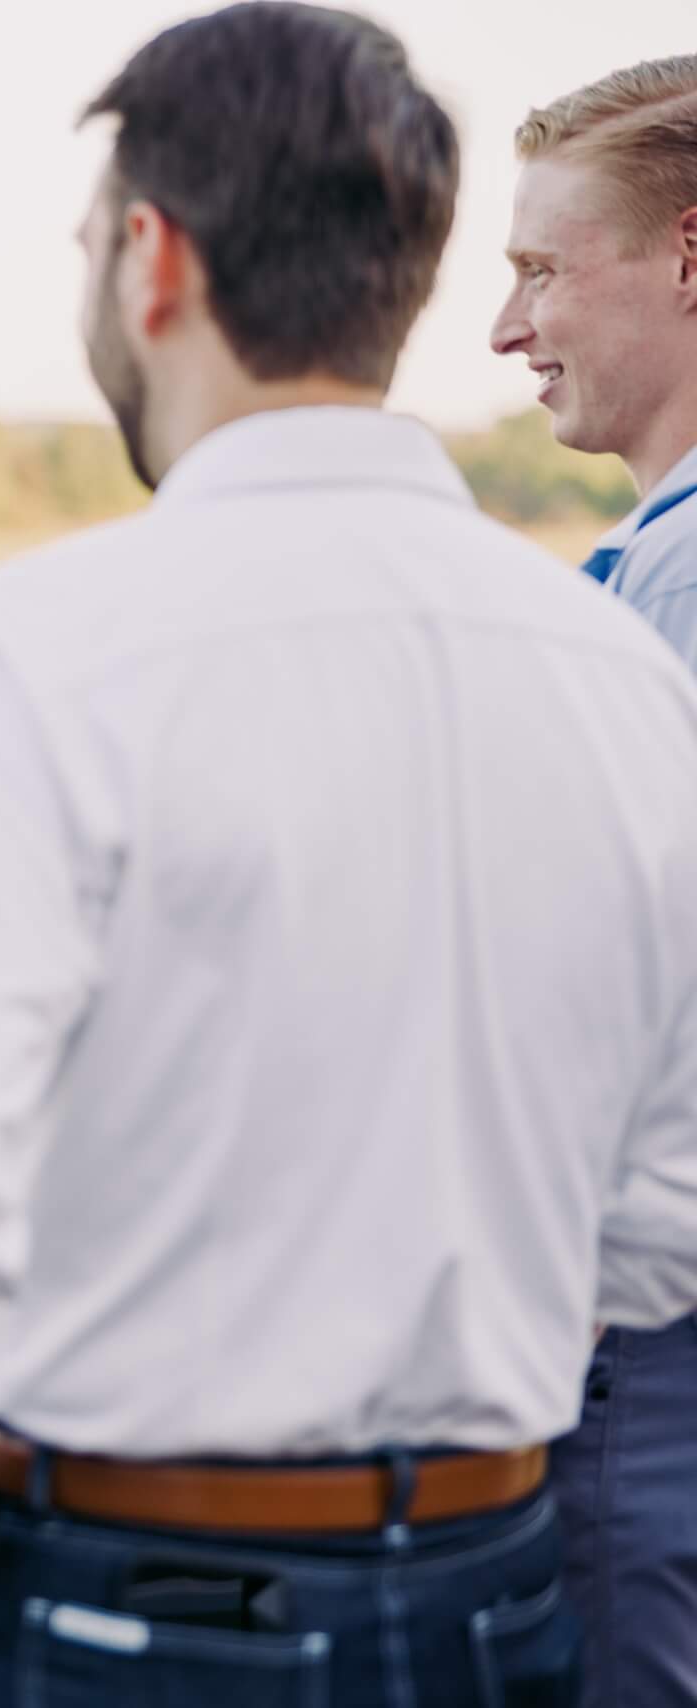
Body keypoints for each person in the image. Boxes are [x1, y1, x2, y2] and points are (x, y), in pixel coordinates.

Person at [0, 7, 697, 1704]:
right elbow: (661, 1204)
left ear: (152, 258)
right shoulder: (618, 672)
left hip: (125, 1593)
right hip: (496, 1592)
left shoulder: (30, 650)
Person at [491, 54, 697, 1705]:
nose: (510, 329)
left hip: (648, 1328)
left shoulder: (681, 583)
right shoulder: (648, 561)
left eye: (542, 269)